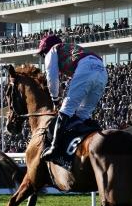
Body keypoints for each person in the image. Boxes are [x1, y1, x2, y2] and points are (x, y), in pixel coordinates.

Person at [37, 34, 108, 162]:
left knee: (66, 109)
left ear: (46, 50)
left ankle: (54, 148)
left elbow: (52, 78)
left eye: (43, 54)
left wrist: (55, 99)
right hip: (102, 70)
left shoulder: (52, 50)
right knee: (83, 114)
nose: (43, 57)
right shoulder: (70, 48)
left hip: (86, 67)